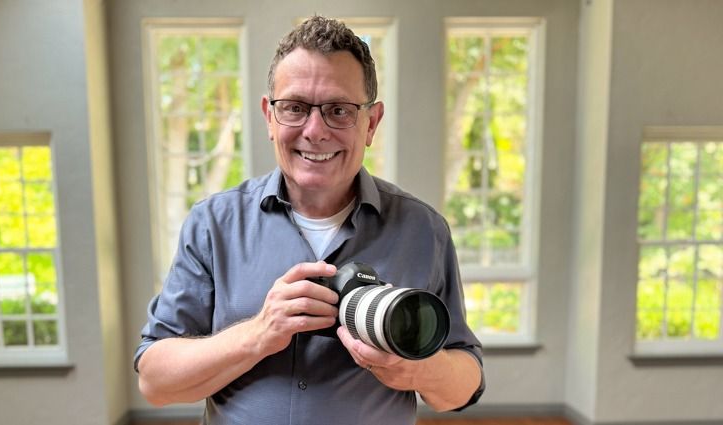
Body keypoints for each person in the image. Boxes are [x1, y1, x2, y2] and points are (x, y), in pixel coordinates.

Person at [135, 15, 485, 425]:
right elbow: (155, 382)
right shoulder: (213, 224)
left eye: (339, 110)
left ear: (370, 123)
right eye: (295, 108)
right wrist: (259, 334)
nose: (315, 131)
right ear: (269, 116)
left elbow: (464, 386)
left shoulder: (423, 230)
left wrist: (418, 369)